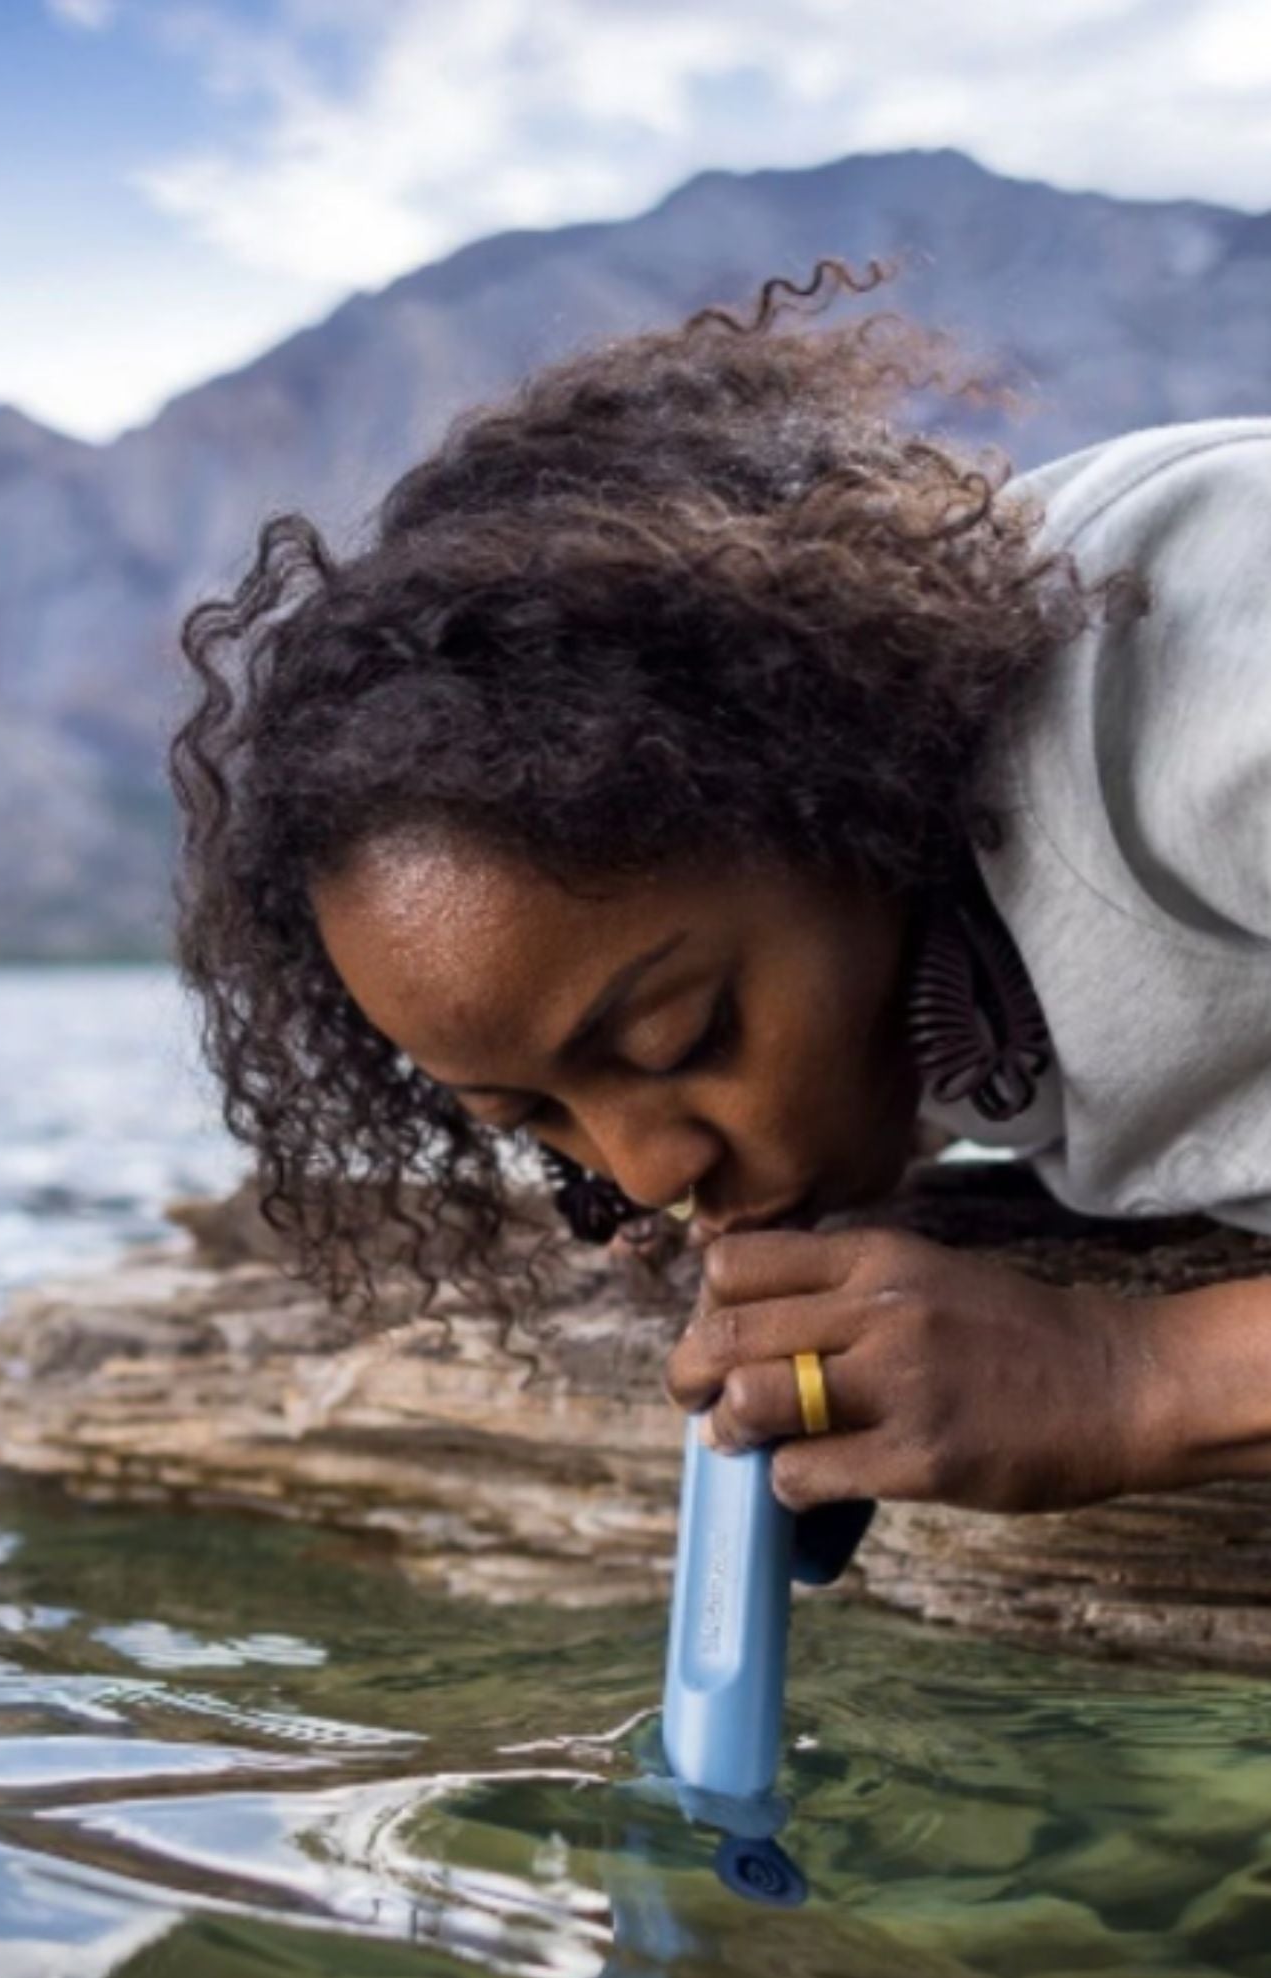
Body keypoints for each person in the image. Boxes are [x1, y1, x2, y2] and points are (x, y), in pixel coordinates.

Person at [169, 266, 1271, 1523]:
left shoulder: (1204, 652)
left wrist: (1138, 1379)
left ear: (831, 776)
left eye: (679, 1036)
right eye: (534, 1115)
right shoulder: (899, 949)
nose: (643, 1171)